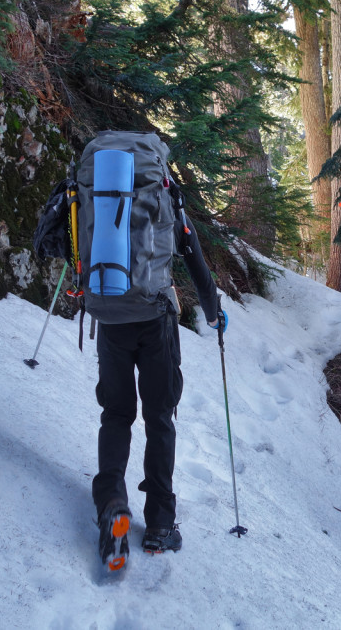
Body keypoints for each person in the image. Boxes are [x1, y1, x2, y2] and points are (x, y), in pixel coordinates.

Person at [94, 206, 227, 571]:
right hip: (156, 319)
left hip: (110, 314)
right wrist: (213, 312)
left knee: (117, 414)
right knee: (159, 417)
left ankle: (112, 505)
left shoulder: (100, 182)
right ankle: (159, 525)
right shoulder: (164, 190)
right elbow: (193, 255)